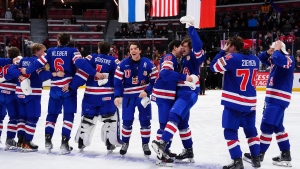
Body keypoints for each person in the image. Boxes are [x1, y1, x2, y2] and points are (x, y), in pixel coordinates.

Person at [20, 33, 101, 155]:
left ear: (58, 40)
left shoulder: (51, 51)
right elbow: (81, 64)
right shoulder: (72, 51)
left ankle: (48, 140)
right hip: (68, 88)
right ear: (68, 41)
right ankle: (64, 144)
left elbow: (38, 63)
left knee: (52, 115)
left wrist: (27, 70)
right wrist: (95, 73)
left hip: (54, 89)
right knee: (68, 116)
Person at [151, 15, 206, 165]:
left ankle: (162, 143)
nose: (182, 49)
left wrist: (191, 28)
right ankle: (189, 150)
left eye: (185, 47)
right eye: (181, 47)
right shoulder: (178, 59)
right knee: (182, 124)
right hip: (179, 93)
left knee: (173, 116)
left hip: (188, 93)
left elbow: (198, 46)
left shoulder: (195, 57)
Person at [210, 36, 260, 169]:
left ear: (232, 46)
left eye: (228, 45)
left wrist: (222, 51)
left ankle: (237, 161)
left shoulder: (232, 58)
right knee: (251, 131)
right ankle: (256, 159)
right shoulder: (255, 59)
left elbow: (213, 66)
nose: (227, 47)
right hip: (250, 102)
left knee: (230, 131)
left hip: (234, 102)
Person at [243, 40, 294, 167]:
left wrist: (276, 50)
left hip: (278, 98)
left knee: (266, 127)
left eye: (274, 50)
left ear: (280, 50)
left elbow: (279, 59)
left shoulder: (288, 59)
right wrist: (269, 51)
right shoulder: (275, 60)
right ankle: (286, 155)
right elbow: (261, 57)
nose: (272, 53)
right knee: (278, 127)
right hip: (273, 98)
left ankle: (259, 155)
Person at [7, 43, 64, 152]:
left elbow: (11, 69)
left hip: (19, 92)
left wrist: (20, 76)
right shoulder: (37, 62)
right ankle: (27, 142)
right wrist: (55, 74)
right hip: (32, 93)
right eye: (43, 51)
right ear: (37, 51)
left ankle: (20, 141)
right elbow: (42, 76)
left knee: (22, 118)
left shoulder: (22, 60)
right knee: (32, 118)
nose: (44, 53)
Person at [69, 41, 121, 152]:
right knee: (110, 120)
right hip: (107, 95)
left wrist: (71, 86)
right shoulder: (114, 61)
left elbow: (82, 74)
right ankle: (110, 143)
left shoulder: (90, 58)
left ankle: (81, 142)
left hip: (90, 95)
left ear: (98, 49)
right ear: (109, 51)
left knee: (88, 119)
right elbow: (118, 78)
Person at [114, 42, 158, 156]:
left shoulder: (148, 63)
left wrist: (147, 91)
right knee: (127, 121)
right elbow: (117, 82)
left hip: (142, 96)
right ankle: (125, 143)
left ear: (140, 50)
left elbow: (155, 80)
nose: (133, 51)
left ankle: (145, 144)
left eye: (135, 48)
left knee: (145, 121)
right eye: (131, 49)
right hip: (128, 97)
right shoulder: (123, 64)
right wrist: (117, 95)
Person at [151, 40, 190, 166]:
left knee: (167, 123)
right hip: (163, 95)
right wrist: (184, 77)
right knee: (164, 125)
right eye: (180, 47)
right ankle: (161, 155)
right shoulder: (169, 57)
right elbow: (165, 74)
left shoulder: (175, 59)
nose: (182, 50)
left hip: (166, 95)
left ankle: (165, 150)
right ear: (174, 47)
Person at [0, 47, 21, 149]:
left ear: (8, 54)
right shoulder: (16, 65)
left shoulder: (2, 63)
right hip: (11, 93)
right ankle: (10, 140)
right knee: (14, 117)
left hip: (0, 91)